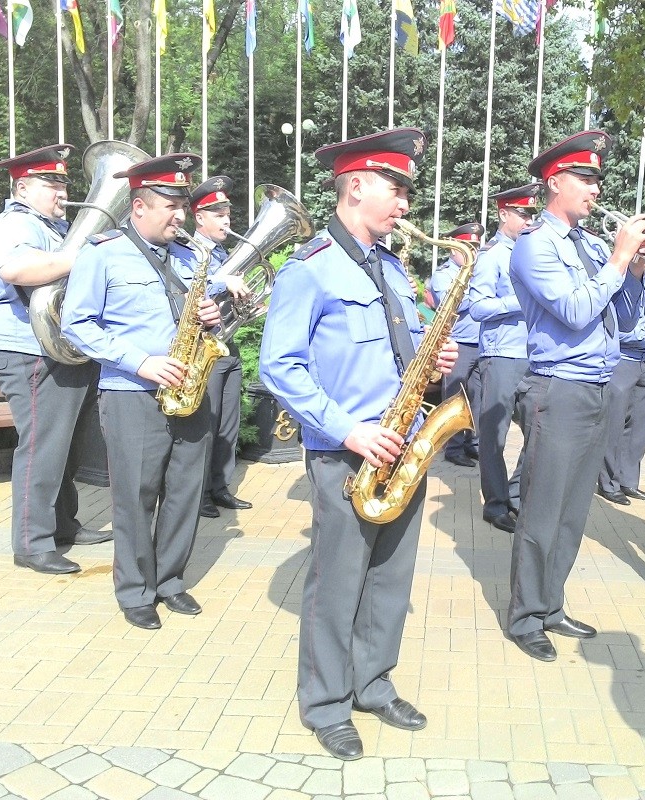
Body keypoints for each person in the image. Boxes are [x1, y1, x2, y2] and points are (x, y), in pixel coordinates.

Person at [258, 128, 458, 761]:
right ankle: (325, 704)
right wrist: (348, 429)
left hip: (404, 444)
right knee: (336, 585)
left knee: (392, 579)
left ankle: (373, 683)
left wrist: (436, 360)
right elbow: (279, 366)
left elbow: (407, 348)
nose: (404, 203)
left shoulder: (394, 268)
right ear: (356, 186)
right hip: (349, 450)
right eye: (395, 189)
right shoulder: (310, 269)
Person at [507, 130, 645, 662]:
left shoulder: (590, 244)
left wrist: (635, 270)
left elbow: (626, 315)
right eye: (585, 179)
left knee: (573, 511)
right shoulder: (534, 245)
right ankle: (525, 615)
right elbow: (573, 310)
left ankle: (551, 604)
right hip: (558, 388)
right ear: (555, 182)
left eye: (597, 179)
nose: (596, 189)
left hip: (596, 385)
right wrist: (620, 261)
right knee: (543, 509)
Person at [61, 153, 222, 629]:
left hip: (190, 388)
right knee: (135, 495)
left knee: (185, 491)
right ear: (138, 207)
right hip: (131, 393)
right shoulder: (103, 251)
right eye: (170, 205)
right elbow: (77, 325)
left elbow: (196, 314)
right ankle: (135, 590)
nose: (181, 215)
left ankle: (170, 581)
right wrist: (142, 361)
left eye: (182, 205)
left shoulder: (191, 256)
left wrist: (211, 314)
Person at [0, 143, 112, 576]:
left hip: (49, 347)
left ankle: (61, 526)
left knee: (66, 447)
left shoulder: (51, 227)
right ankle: (31, 543)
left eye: (63, 181)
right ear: (22, 186)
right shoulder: (15, 222)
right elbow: (16, 270)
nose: (61, 190)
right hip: (27, 349)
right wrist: (81, 258)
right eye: (50, 182)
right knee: (42, 447)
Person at [467, 183, 542, 533]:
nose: (529, 220)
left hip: (535, 354)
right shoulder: (492, 255)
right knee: (493, 435)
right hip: (502, 354)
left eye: (532, 214)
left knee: (539, 432)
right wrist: (523, 301)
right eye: (523, 213)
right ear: (503, 214)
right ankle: (495, 504)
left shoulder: (534, 252)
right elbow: (478, 307)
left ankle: (515, 493)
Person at [188, 176, 254, 519]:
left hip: (226, 346)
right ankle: (196, 494)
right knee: (206, 423)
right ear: (200, 218)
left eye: (227, 213)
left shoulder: (225, 253)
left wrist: (252, 306)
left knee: (228, 423)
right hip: (202, 348)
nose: (226, 220)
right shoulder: (188, 250)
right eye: (218, 214)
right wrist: (221, 280)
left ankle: (219, 486)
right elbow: (184, 284)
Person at [596, 263, 645, 505]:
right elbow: (625, 318)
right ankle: (608, 482)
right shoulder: (622, 276)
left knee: (640, 427)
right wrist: (635, 274)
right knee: (614, 424)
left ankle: (629, 480)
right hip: (623, 356)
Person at [429, 222, 484, 467]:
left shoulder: (479, 272)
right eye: (467, 247)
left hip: (480, 343)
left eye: (475, 247)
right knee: (453, 397)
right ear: (454, 249)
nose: (472, 252)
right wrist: (481, 295)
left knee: (477, 397)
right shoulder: (443, 274)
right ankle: (452, 447)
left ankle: (472, 444)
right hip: (458, 344)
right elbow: (457, 304)